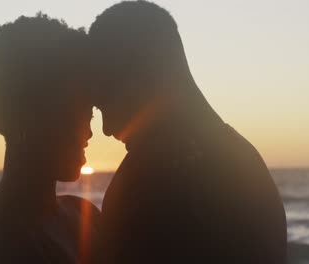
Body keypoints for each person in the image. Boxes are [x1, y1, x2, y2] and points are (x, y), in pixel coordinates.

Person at [89, 2, 287, 263]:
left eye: (106, 100)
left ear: (143, 76)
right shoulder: (243, 160)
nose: (106, 129)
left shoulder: (152, 182)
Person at [0, 14, 99, 264]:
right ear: (29, 118)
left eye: (89, 114)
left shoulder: (83, 214)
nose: (88, 133)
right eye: (78, 114)